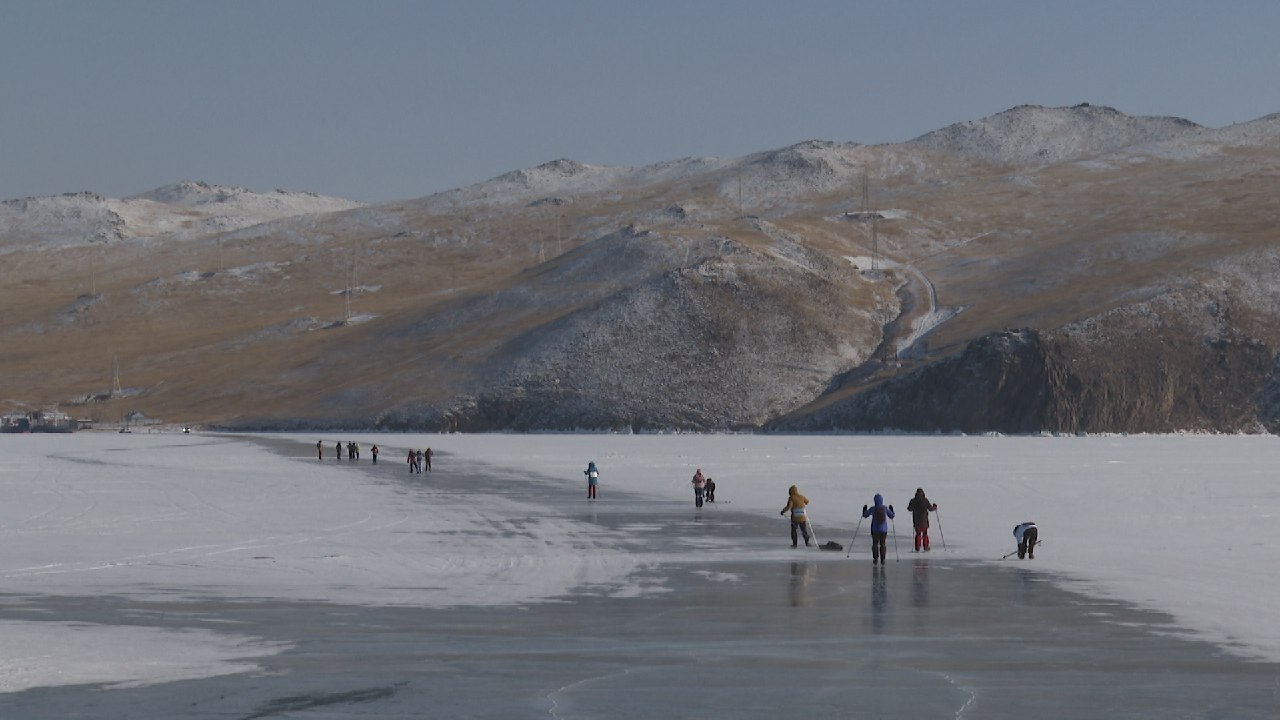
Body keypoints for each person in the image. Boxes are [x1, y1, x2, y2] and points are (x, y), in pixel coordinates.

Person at [862, 494, 895, 565]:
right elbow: (892, 516)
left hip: (875, 530)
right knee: (883, 544)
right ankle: (883, 559)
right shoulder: (885, 508)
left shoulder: (873, 509)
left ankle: (875, 558)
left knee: (875, 544)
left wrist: (864, 509)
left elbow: (865, 515)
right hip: (883, 530)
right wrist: (892, 509)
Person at [907, 488, 938, 552]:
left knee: (918, 534)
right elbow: (930, 509)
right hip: (924, 522)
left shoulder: (913, 501)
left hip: (917, 521)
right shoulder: (925, 501)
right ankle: (925, 546)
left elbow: (909, 508)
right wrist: (935, 507)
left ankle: (917, 547)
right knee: (925, 534)